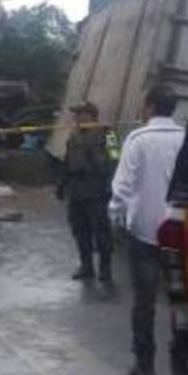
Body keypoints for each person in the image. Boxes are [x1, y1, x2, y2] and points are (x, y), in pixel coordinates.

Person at [110, 87, 188, 375]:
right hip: (179, 232)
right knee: (179, 300)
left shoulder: (138, 139)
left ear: (151, 106)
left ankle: (145, 367)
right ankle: (181, 367)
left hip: (144, 233)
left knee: (144, 303)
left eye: (143, 105)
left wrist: (115, 217)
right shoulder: (186, 138)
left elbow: (123, 186)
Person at [57, 101, 114, 281]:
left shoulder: (107, 133)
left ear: (90, 115)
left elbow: (116, 158)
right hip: (76, 189)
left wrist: (98, 159)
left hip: (96, 188)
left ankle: (105, 268)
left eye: (79, 113)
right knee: (80, 230)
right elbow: (68, 161)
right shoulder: (73, 135)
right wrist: (62, 185)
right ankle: (86, 266)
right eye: (75, 114)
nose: (75, 118)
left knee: (101, 231)